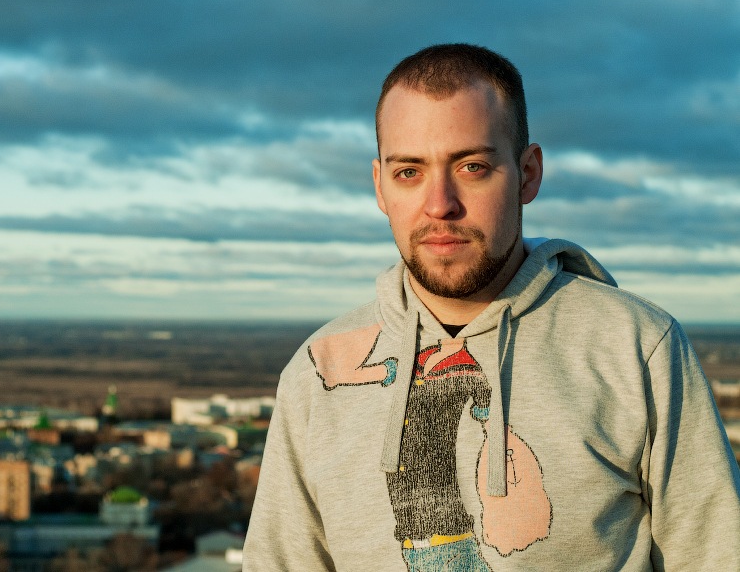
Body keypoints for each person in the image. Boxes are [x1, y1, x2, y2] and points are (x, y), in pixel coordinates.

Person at [243, 44, 740, 571]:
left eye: (472, 166)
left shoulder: (636, 346)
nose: (440, 204)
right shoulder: (318, 372)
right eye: (409, 172)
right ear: (380, 186)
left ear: (528, 174)